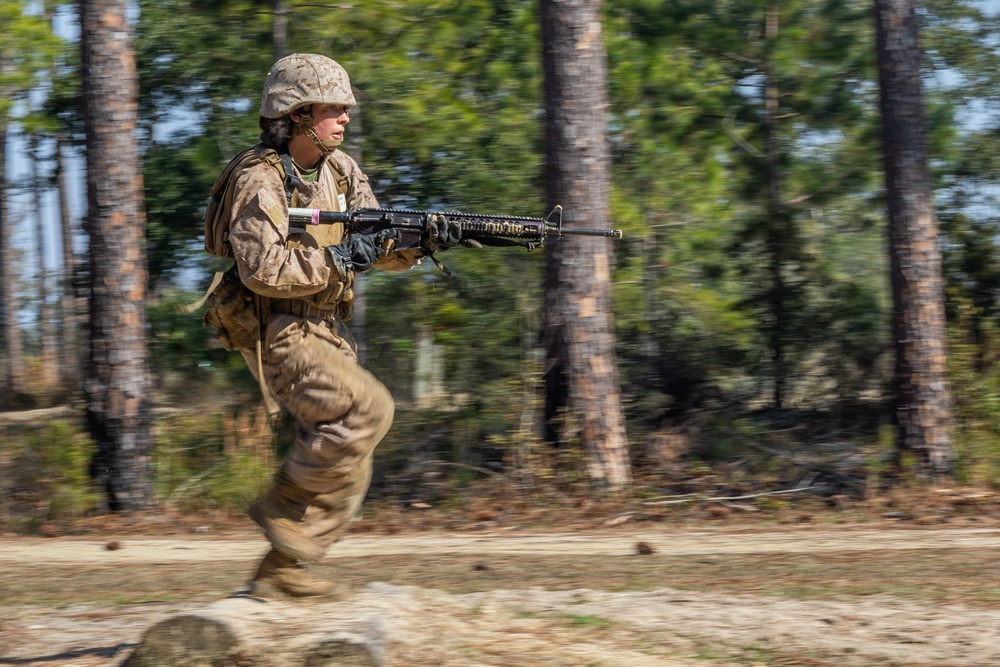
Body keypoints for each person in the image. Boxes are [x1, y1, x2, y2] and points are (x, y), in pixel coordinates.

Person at [211, 53, 462, 598]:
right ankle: (280, 504)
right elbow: (263, 271)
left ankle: (281, 575)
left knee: (353, 460)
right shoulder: (260, 180)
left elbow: (373, 246)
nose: (346, 116)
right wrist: (343, 259)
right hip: (279, 329)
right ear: (298, 113)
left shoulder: (342, 171)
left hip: (328, 330)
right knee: (369, 410)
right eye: (334, 107)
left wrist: (420, 241)